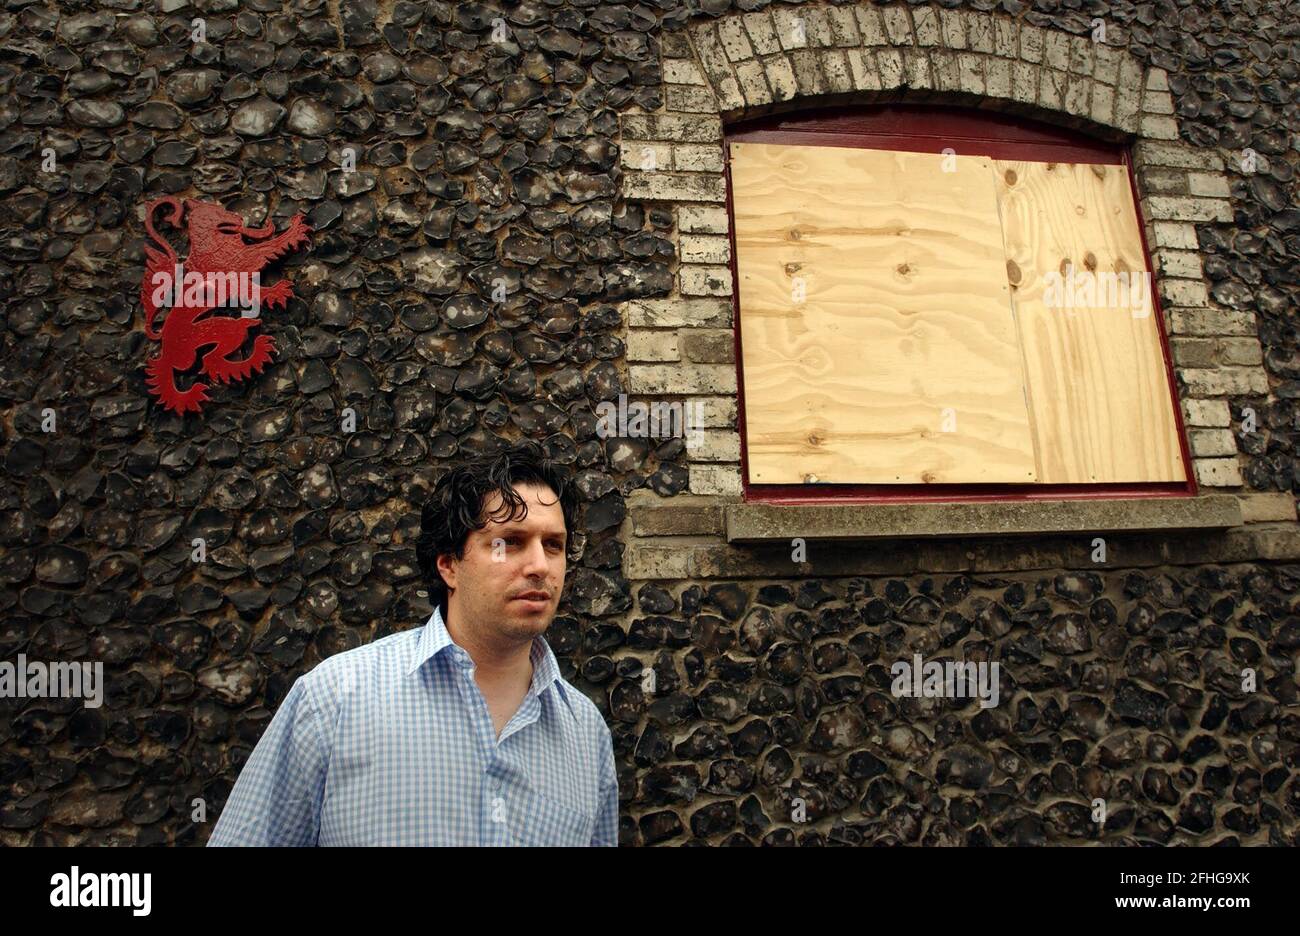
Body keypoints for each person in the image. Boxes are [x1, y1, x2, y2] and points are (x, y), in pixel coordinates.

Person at [208, 441, 619, 846]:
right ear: (449, 565)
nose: (539, 566)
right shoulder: (335, 700)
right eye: (509, 542)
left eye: (554, 545)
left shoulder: (586, 734)